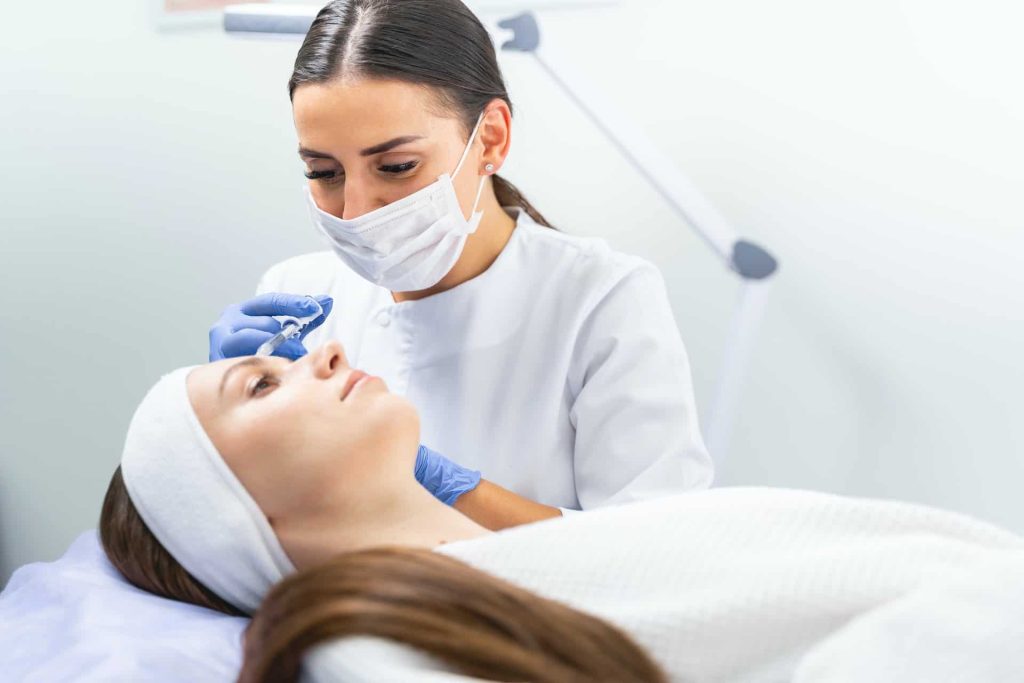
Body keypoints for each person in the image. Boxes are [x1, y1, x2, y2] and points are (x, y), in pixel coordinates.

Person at [101, 342, 1024, 682]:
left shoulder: (548, 561)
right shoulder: (366, 650)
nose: (327, 353)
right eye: (262, 382)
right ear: (234, 513)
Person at [206, 0, 713, 528]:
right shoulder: (295, 295)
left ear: (491, 138)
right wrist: (223, 426)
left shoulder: (601, 298)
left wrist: (426, 478)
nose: (355, 211)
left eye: (397, 166)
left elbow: (657, 549)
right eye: (324, 172)